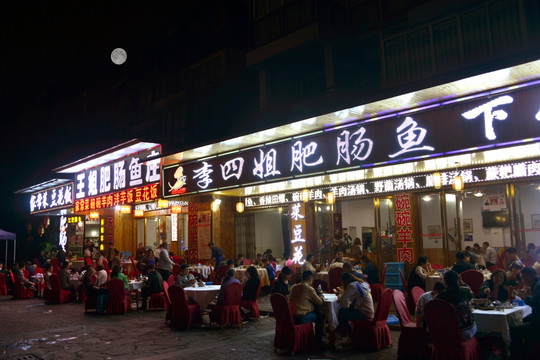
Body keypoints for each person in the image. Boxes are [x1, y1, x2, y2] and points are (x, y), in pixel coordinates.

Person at [437, 270, 477, 340]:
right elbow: (472, 295)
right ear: (458, 280)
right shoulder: (465, 291)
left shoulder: (441, 296)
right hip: (472, 328)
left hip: (456, 333)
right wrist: (462, 283)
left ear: (445, 281)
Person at [510, 267, 540, 358]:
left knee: (513, 330)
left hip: (538, 325)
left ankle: (517, 356)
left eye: (523, 278)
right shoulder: (537, 284)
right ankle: (527, 351)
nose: (522, 281)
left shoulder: (538, 286)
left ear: (530, 277)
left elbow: (535, 303)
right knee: (524, 319)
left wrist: (524, 297)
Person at [337, 272, 374, 345]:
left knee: (342, 315)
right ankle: (341, 333)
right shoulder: (361, 283)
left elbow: (342, 299)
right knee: (342, 311)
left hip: (363, 312)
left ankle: (350, 337)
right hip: (368, 310)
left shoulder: (351, 286)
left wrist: (339, 296)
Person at [289, 271, 325, 344]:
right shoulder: (309, 289)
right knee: (320, 315)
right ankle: (319, 341)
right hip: (301, 317)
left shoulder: (294, 287)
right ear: (310, 278)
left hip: (291, 317)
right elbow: (320, 302)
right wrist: (321, 294)